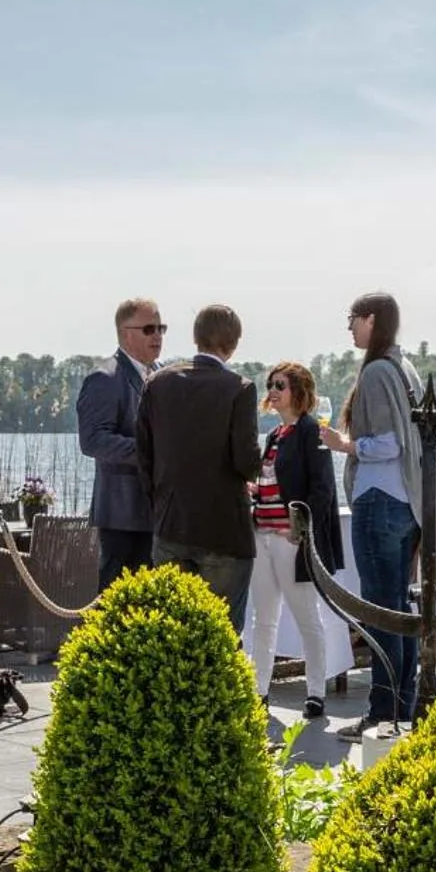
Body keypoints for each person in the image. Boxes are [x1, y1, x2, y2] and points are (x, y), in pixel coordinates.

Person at [317, 293, 422, 737]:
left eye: (353, 319)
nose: (349, 328)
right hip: (407, 501)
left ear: (372, 319)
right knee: (400, 606)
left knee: (381, 612)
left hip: (379, 498)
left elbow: (388, 444)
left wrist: (344, 445)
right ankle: (404, 706)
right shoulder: (405, 366)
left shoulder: (378, 370)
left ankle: (384, 713)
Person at [135, 304, 262, 628]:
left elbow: (144, 456)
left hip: (170, 525)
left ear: (196, 337)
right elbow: (246, 462)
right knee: (221, 634)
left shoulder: (157, 383)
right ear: (234, 343)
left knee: (174, 631)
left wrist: (160, 504)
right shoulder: (239, 388)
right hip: (224, 531)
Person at [247, 361, 343, 719]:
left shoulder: (310, 432)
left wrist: (299, 529)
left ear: (298, 392)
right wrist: (254, 490)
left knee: (306, 617)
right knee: (264, 619)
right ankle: (259, 690)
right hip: (262, 535)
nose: (272, 391)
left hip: (289, 540)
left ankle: (315, 693)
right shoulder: (274, 436)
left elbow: (322, 489)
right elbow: (272, 483)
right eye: (270, 385)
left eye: (280, 385)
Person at [76, 296, 163, 590]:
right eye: (149, 329)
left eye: (162, 328)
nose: (158, 336)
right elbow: (93, 440)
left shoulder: (162, 376)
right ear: (126, 333)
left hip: (158, 516)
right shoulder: (105, 378)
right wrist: (150, 452)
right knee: (117, 607)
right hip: (122, 516)